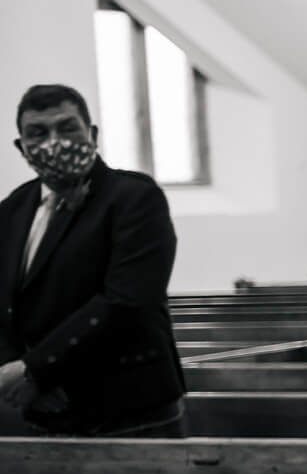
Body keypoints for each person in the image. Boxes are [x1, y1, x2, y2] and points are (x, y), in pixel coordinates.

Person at [0, 84, 186, 437]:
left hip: (131, 410)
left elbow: (128, 301)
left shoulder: (134, 197)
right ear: (21, 147)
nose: (54, 142)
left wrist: (36, 370)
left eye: (67, 127)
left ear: (92, 133)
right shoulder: (12, 210)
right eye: (37, 133)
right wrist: (13, 371)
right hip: (45, 408)